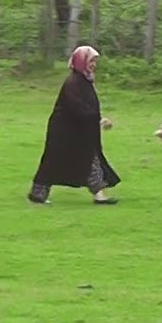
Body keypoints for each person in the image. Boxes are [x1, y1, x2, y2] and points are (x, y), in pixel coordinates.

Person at [28, 45, 120, 205]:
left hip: (79, 129)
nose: (94, 64)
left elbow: (88, 106)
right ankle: (38, 193)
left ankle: (99, 194)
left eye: (95, 61)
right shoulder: (73, 82)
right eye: (91, 61)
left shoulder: (84, 80)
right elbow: (77, 107)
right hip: (64, 131)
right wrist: (97, 120)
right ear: (81, 61)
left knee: (91, 158)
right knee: (54, 160)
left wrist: (98, 119)